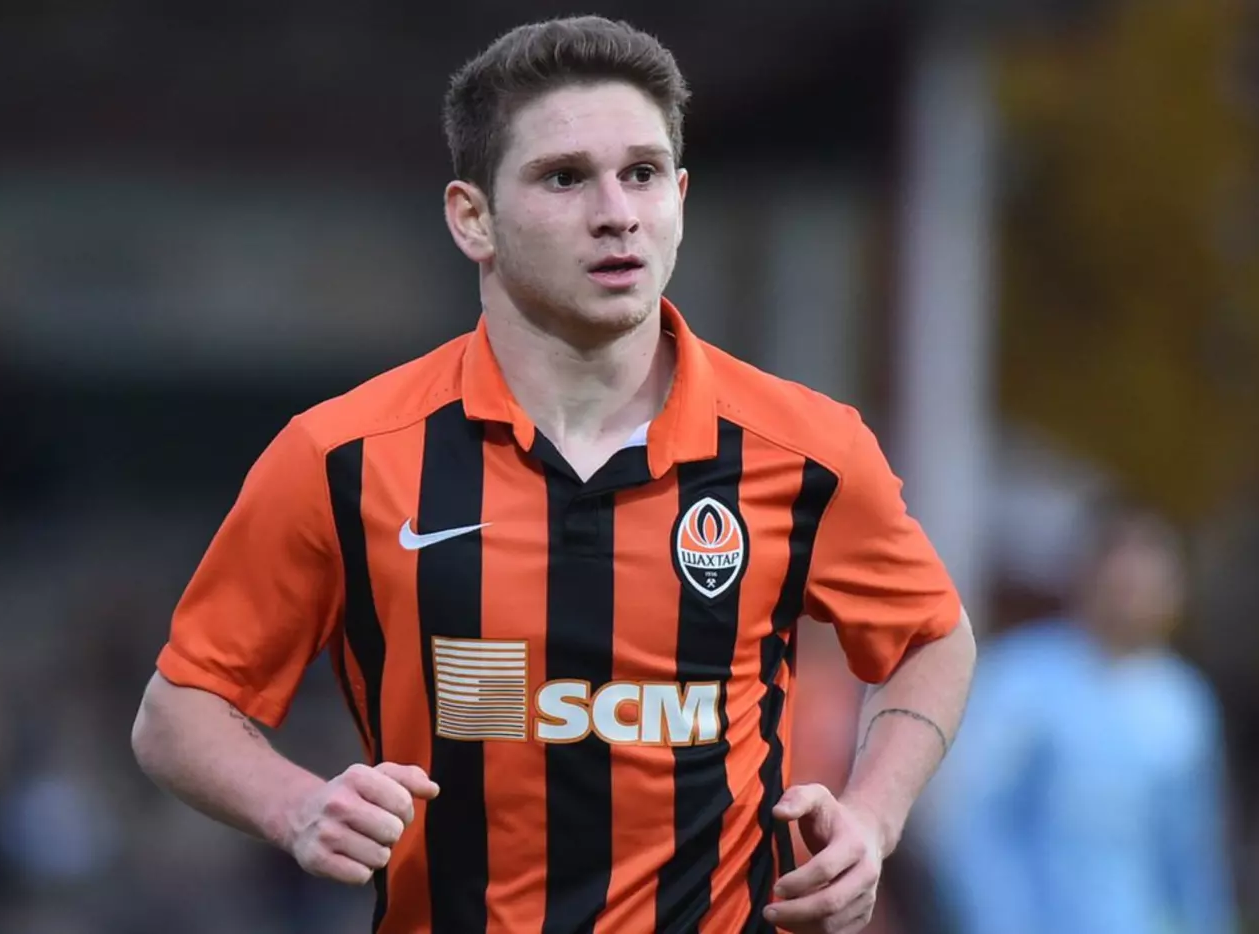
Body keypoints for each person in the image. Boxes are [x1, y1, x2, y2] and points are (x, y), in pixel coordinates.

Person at [130, 15, 977, 934]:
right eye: (565, 177)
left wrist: (873, 817)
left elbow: (932, 640)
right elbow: (178, 711)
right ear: (473, 218)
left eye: (642, 173)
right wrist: (297, 806)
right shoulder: (343, 456)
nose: (616, 212)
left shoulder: (807, 449)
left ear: (679, 198)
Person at [919, 500, 1237, 934]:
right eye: (1124, 581)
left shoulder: (1183, 705)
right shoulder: (1020, 680)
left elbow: (1191, 852)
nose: (1134, 597)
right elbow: (970, 824)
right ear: (1089, 576)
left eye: (1150, 583)